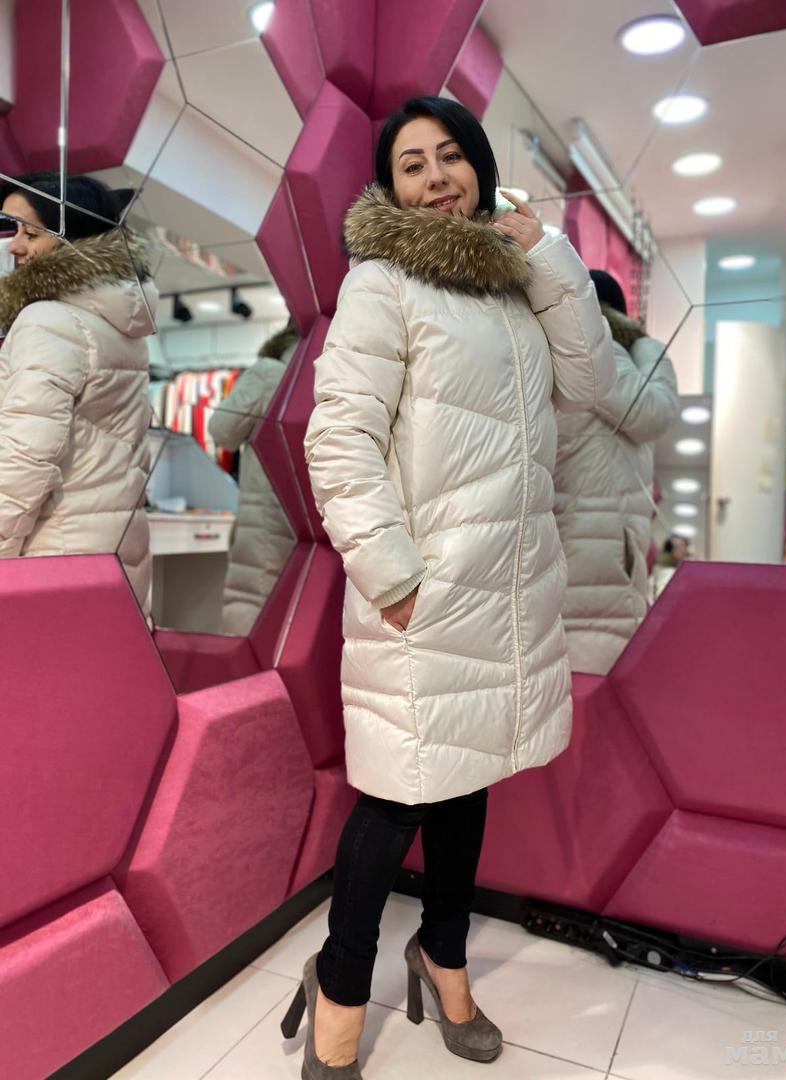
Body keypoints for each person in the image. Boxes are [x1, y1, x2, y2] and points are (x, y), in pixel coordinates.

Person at [289, 96, 615, 1079]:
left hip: (506, 597)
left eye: (449, 157)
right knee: (395, 800)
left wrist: (548, 254)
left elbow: (590, 386)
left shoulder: (518, 289)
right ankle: (341, 986)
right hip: (424, 594)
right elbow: (340, 438)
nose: (436, 178)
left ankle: (444, 955)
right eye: (412, 164)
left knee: (468, 781)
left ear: (478, 166)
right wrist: (390, 573)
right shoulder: (382, 283)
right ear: (390, 189)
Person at [0, 172, 155, 614]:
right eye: (12, 230)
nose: (14, 246)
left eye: (30, 233)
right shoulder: (121, 324)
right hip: (113, 550)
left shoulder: (47, 321)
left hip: (52, 554)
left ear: (74, 237)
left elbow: (24, 461)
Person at [553, 270, 678, 674]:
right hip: (606, 556)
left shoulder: (559, 354)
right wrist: (646, 344)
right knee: (597, 675)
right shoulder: (608, 354)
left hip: (568, 546)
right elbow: (652, 412)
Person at [208, 322, 298, 634]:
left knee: (252, 607)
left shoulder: (269, 373)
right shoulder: (330, 371)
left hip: (264, 516)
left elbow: (222, 431)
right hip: (310, 521)